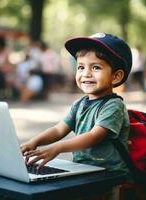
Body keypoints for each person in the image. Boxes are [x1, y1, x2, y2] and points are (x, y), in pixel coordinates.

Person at [21, 33, 132, 199]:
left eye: (96, 67)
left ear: (116, 76)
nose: (86, 73)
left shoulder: (113, 106)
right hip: (84, 171)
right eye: (81, 67)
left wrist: (58, 148)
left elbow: (94, 136)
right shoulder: (79, 104)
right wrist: (34, 142)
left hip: (108, 177)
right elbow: (59, 129)